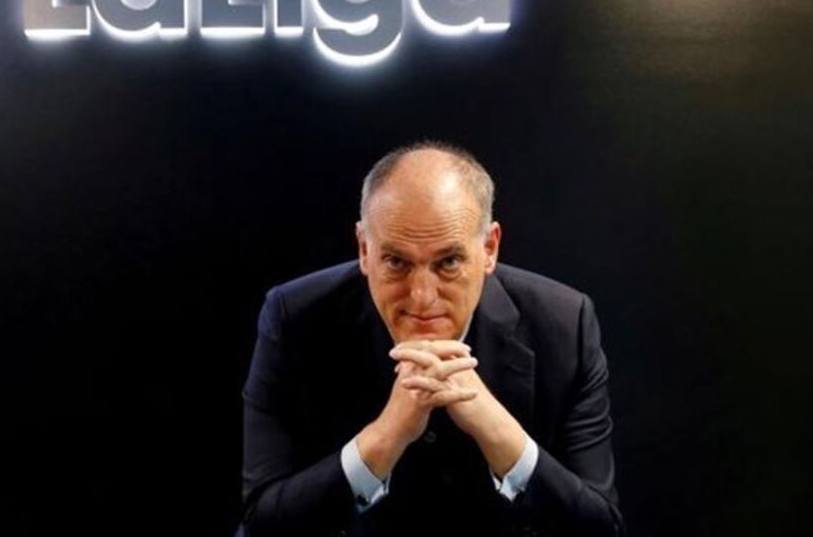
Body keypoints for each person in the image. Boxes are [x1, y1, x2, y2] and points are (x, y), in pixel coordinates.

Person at [239, 142, 624, 537]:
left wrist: (498, 432)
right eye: (396, 262)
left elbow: (601, 529)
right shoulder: (293, 318)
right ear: (364, 249)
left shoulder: (565, 324)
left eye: (449, 262)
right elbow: (260, 525)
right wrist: (384, 438)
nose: (422, 297)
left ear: (489, 248)